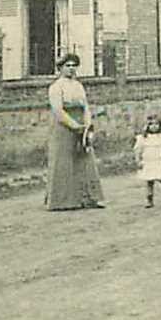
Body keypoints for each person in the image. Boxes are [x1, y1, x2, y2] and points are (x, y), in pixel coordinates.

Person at [45, 52, 106, 211]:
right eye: (68, 66)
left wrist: (87, 124)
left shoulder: (78, 86)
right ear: (60, 68)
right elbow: (58, 111)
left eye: (74, 66)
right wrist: (74, 126)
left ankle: (88, 198)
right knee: (64, 160)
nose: (71, 69)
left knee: (85, 159)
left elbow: (85, 106)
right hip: (65, 127)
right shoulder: (56, 87)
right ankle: (63, 201)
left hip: (81, 126)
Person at [134, 115, 161, 208]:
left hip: (159, 161)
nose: (154, 126)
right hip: (148, 162)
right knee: (149, 182)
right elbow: (138, 150)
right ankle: (149, 200)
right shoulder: (143, 138)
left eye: (156, 124)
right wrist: (138, 161)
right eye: (151, 124)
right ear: (147, 126)